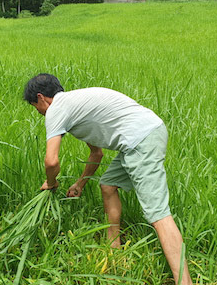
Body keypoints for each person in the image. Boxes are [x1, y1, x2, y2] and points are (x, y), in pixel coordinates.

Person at [23, 73, 193, 285]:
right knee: (108, 185)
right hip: (145, 134)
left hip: (140, 141)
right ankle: (114, 250)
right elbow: (97, 154)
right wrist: (79, 184)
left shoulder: (56, 109)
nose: (38, 112)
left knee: (158, 215)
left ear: (41, 98)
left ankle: (185, 282)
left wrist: (50, 183)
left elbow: (51, 161)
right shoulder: (74, 106)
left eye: (34, 106)